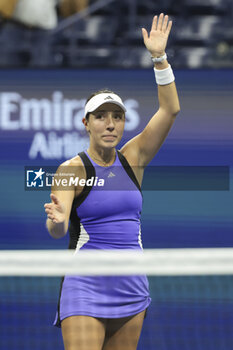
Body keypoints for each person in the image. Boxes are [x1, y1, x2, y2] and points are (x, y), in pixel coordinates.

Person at [44, 13, 180, 350]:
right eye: (101, 117)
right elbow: (58, 229)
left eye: (116, 116)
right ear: (86, 123)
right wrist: (58, 222)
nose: (110, 124)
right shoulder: (72, 169)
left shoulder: (133, 158)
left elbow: (170, 110)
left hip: (131, 284)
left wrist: (159, 58)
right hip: (85, 285)